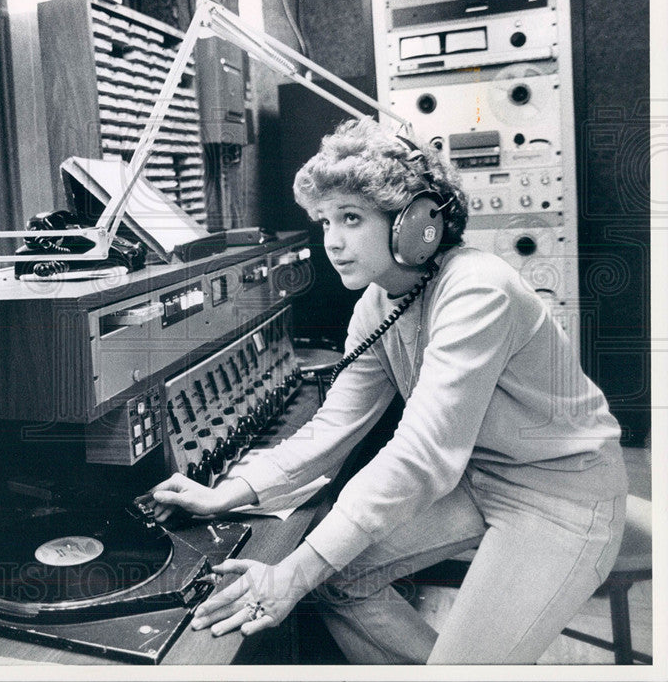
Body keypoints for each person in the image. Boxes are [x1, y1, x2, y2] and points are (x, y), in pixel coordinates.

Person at [148, 116, 628, 664]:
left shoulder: (478, 289)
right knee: (336, 580)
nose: (333, 241)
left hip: (563, 495)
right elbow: (333, 428)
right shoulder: (376, 305)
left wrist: (290, 575)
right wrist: (227, 492)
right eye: (325, 220)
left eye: (351, 218)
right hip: (480, 480)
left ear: (416, 223)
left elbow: (422, 457)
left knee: (317, 574)